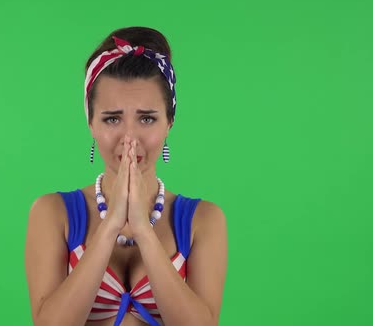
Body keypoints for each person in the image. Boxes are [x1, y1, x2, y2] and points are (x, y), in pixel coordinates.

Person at [25, 26, 228, 326]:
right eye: (112, 118)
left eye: (147, 118)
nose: (129, 137)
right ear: (91, 123)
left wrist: (144, 231)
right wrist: (110, 226)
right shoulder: (53, 213)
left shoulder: (203, 220)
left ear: (169, 122)